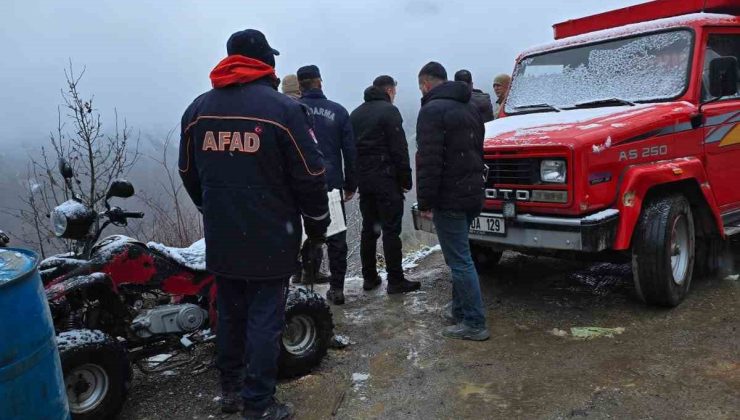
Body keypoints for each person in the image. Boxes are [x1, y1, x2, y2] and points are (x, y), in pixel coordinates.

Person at [179, 29, 329, 419]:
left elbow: (188, 172)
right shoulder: (283, 110)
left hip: (223, 233)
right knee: (265, 317)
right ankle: (258, 404)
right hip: (271, 235)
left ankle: (230, 389)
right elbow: (311, 175)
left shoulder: (198, 110)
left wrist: (210, 207)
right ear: (266, 63)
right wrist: (317, 225)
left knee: (230, 311)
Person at [415, 61, 489, 341]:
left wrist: (425, 202)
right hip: (472, 194)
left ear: (426, 84)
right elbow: (477, 150)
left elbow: (429, 161)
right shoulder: (470, 106)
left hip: (450, 197)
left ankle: (474, 322)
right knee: (462, 255)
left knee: (459, 261)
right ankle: (460, 308)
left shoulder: (432, 111)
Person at [350, 75, 420, 294]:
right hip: (386, 180)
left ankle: (369, 277)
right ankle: (396, 280)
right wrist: (406, 179)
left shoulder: (356, 113)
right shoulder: (389, 111)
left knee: (369, 230)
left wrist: (354, 179)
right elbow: (398, 148)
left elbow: (351, 150)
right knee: (391, 230)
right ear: (389, 90)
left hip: (365, 181)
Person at [297, 64, 357, 305]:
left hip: (300, 185)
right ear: (320, 82)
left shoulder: (292, 111)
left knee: (304, 237)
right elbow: (350, 152)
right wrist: (350, 184)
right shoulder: (338, 111)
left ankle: (307, 289)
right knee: (336, 238)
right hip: (331, 184)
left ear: (300, 85)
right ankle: (337, 288)